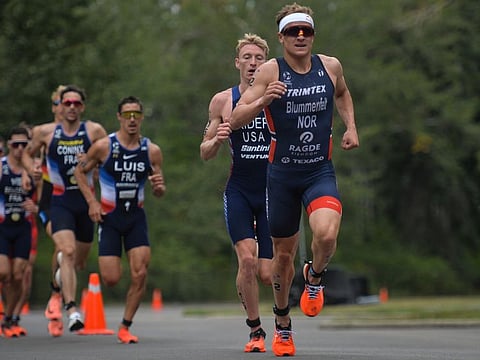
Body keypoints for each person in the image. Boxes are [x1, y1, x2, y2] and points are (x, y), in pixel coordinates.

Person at [230, 3, 360, 356]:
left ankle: (315, 278)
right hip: (282, 177)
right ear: (281, 37)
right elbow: (237, 116)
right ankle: (283, 325)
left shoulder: (330, 66)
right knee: (281, 260)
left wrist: (350, 126)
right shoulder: (270, 71)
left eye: (306, 30)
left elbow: (343, 93)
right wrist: (262, 102)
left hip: (319, 170)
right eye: (292, 31)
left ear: (313, 34)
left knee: (327, 232)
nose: (300, 36)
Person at [200, 34, 272, 353]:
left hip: (273, 191)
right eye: (248, 57)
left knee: (269, 273)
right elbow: (204, 151)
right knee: (247, 259)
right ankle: (255, 330)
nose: (253, 63)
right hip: (240, 189)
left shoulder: (276, 95)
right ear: (238, 63)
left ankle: (282, 310)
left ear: (266, 63)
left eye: (259, 57)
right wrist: (216, 140)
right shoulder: (222, 101)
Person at [74, 96, 166, 344]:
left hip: (136, 217)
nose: (132, 119)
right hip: (109, 218)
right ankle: (116, 259)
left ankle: (125, 326)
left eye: (136, 114)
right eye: (127, 115)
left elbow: (159, 187)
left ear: (142, 117)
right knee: (111, 279)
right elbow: (79, 172)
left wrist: (158, 188)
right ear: (119, 118)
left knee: (140, 273)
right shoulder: (104, 146)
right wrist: (92, 202)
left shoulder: (151, 150)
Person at [23, 84, 107, 332]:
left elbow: (108, 154)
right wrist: (32, 169)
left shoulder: (94, 131)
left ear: (83, 107)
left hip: (85, 202)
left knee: (77, 261)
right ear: (59, 105)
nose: (71, 108)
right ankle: (72, 310)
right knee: (67, 251)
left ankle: (57, 286)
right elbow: (27, 155)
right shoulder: (45, 132)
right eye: (67, 103)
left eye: (76, 104)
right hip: (57, 201)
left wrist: (94, 164)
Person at [39, 85, 69, 337]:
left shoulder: (82, 132)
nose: (65, 107)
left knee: (73, 257)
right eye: (61, 102)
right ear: (54, 106)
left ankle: (56, 292)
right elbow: (27, 162)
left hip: (74, 202)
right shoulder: (45, 135)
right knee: (61, 246)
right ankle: (56, 297)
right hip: (48, 200)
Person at [0, 126, 36, 338]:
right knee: (4, 272)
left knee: (18, 275)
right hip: (3, 227)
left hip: (23, 227)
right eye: (16, 145)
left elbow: (45, 199)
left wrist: (36, 207)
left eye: (24, 145)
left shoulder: (34, 170)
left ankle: (10, 317)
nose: (20, 149)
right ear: (9, 146)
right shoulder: (2, 167)